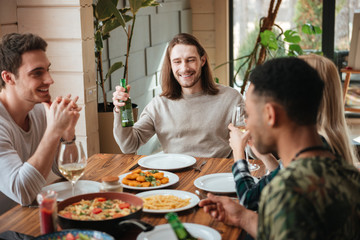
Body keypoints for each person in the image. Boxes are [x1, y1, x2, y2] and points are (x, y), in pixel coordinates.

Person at [199, 57, 360, 239]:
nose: (247, 123)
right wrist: (243, 217)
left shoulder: (286, 194)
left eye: (250, 114)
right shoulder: (348, 173)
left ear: (270, 114)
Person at [228, 54, 360, 211]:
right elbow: (282, 174)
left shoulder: (308, 159)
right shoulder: (326, 144)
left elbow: (250, 199)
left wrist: (238, 153)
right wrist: (265, 156)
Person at [112, 33, 243, 158]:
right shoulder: (159, 104)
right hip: (175, 177)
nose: (184, 68)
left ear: (202, 60)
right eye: (177, 61)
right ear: (170, 64)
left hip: (217, 176)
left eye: (190, 60)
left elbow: (250, 144)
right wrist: (120, 109)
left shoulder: (231, 98)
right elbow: (129, 146)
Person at [0, 33, 81, 206]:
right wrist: (54, 131)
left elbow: (64, 171)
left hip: (32, 216)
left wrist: (67, 135)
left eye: (47, 69)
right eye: (37, 73)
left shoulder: (38, 109)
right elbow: (23, 193)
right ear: (8, 78)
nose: (49, 80)